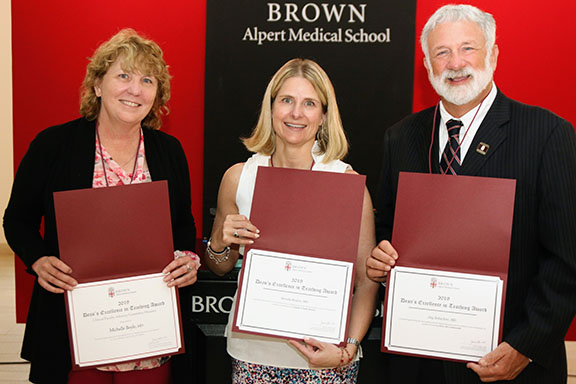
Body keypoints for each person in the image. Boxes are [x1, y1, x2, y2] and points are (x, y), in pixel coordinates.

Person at [366, 4, 576, 383]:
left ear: (493, 54)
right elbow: (388, 227)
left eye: (468, 48)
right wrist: (381, 256)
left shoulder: (547, 134)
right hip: (418, 363)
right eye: (442, 52)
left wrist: (526, 346)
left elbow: (567, 258)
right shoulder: (401, 137)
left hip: (509, 365)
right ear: (427, 64)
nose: (455, 63)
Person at [3, 29, 198, 384]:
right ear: (97, 85)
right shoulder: (53, 145)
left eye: (146, 80)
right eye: (123, 75)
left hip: (149, 334)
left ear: (157, 95)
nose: (134, 89)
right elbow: (17, 220)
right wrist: (38, 259)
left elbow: (183, 225)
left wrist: (187, 258)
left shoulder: (169, 151)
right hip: (75, 332)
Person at [205, 58, 379, 383]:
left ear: (324, 115)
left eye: (309, 103)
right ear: (271, 109)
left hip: (327, 357)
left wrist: (348, 349)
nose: (296, 113)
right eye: (287, 100)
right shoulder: (239, 177)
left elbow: (366, 281)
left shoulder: (347, 183)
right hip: (252, 354)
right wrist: (218, 243)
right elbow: (219, 265)